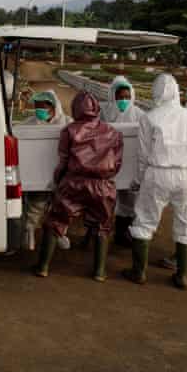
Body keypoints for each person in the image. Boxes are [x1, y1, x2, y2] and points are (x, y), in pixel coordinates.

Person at [122, 73, 187, 290]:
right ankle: (182, 276)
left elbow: (142, 155)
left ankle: (139, 272)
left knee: (144, 222)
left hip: (158, 173)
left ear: (156, 92)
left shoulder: (150, 117)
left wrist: (139, 180)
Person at [35, 92, 124, 282]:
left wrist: (57, 182)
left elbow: (63, 161)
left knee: (55, 222)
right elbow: (117, 164)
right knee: (103, 226)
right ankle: (99, 271)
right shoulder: (113, 132)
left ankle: (43, 266)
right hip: (102, 185)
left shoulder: (69, 130)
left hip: (74, 182)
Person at [21, 90, 72, 251]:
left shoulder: (67, 122)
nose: (39, 111)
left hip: (61, 173)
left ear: (53, 107)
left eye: (42, 107)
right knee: (36, 204)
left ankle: (59, 234)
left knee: (61, 206)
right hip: (38, 173)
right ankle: (29, 233)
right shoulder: (29, 123)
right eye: (36, 107)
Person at [99, 76, 146, 247]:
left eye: (127, 97)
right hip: (109, 162)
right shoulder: (104, 112)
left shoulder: (140, 114)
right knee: (107, 199)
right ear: (113, 96)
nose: (123, 100)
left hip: (131, 162)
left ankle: (123, 233)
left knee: (129, 198)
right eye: (120, 97)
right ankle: (101, 233)